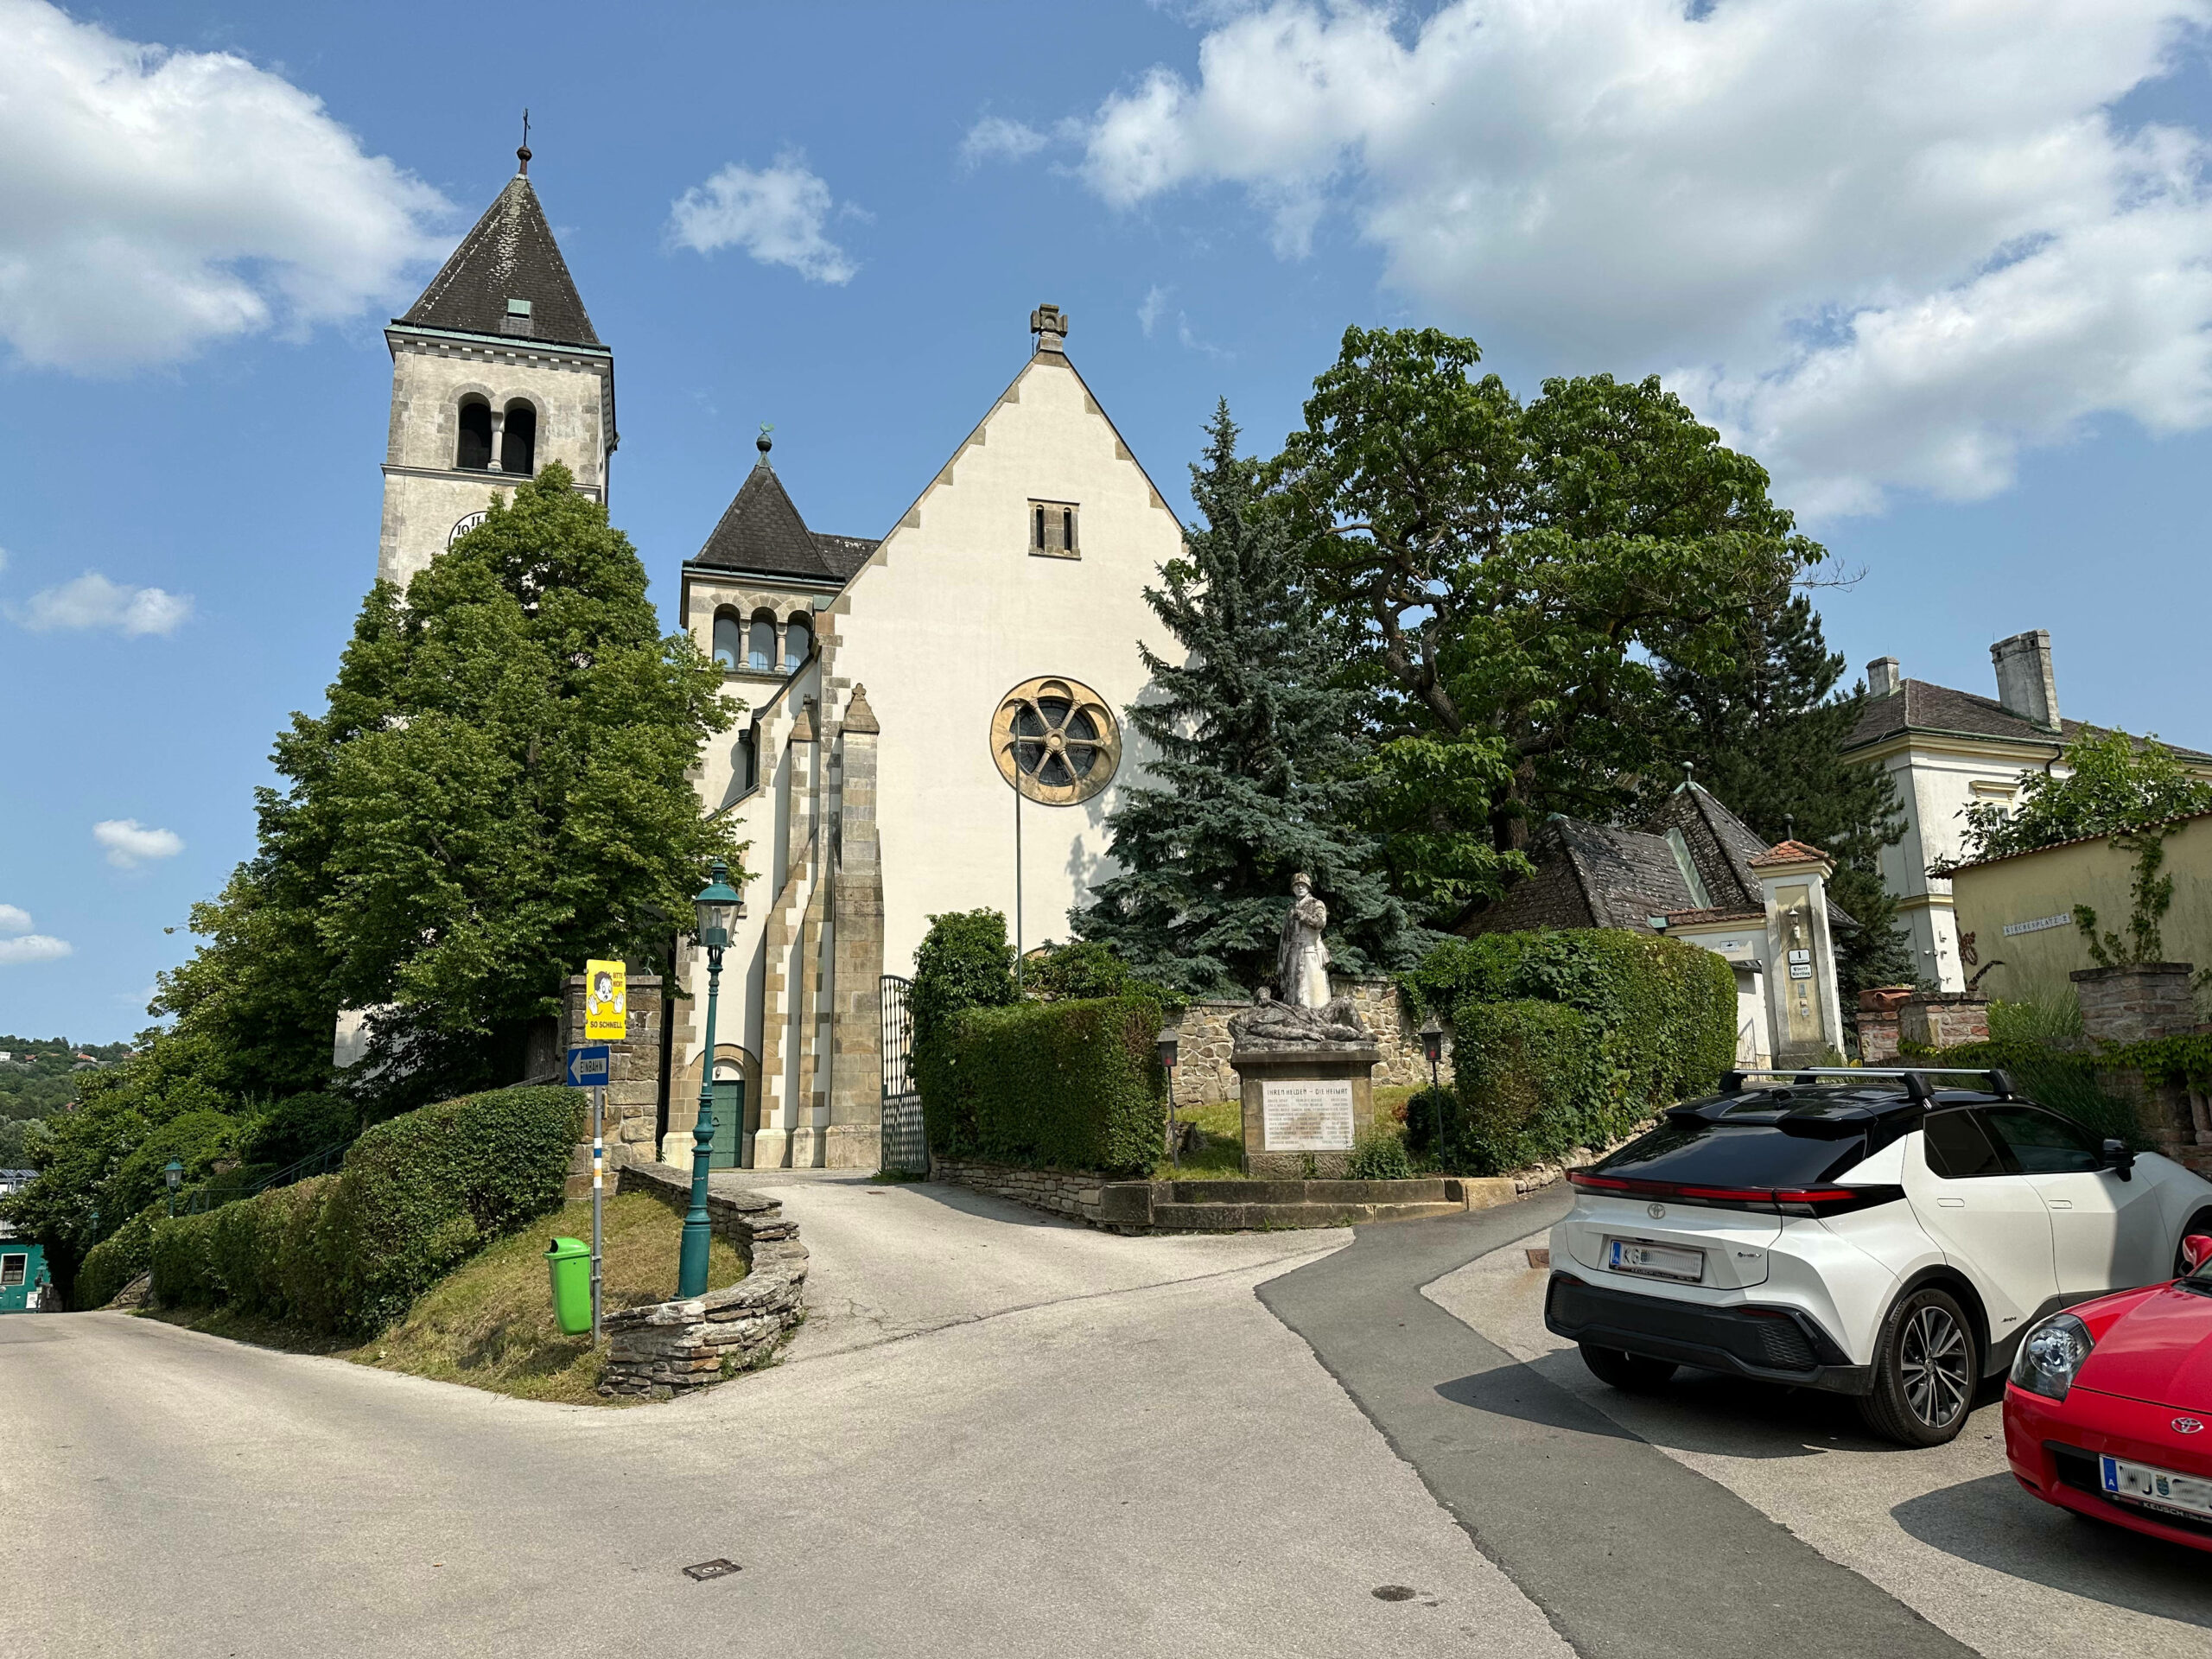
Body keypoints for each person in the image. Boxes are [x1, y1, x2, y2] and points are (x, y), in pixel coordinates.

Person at [1276, 873, 1332, 1010]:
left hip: (1310, 952)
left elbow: (1320, 923)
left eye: (1303, 885)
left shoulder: (1316, 904)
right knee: (1294, 996)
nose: (1300, 887)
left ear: (1308, 887)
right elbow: (1284, 936)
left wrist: (1302, 915)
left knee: (1313, 996)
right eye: (1297, 885)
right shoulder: (1290, 909)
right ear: (1293, 889)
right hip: (1292, 955)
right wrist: (1280, 960)